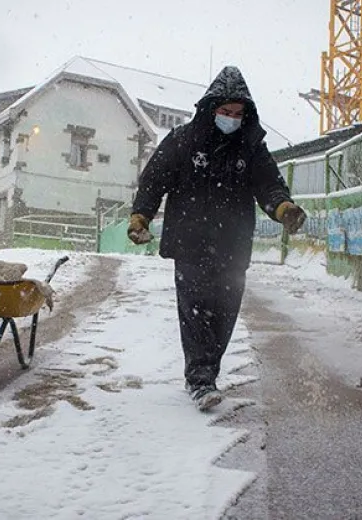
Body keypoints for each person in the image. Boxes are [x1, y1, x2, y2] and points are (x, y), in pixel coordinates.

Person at [127, 65, 306, 411]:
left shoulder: (251, 148)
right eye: (225, 111)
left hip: (233, 245)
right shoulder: (183, 141)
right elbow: (154, 181)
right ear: (210, 109)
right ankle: (200, 378)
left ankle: (208, 369)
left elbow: (268, 184)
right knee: (195, 311)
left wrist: (283, 209)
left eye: (238, 114)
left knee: (224, 313)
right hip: (190, 243)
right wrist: (141, 216)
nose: (231, 118)